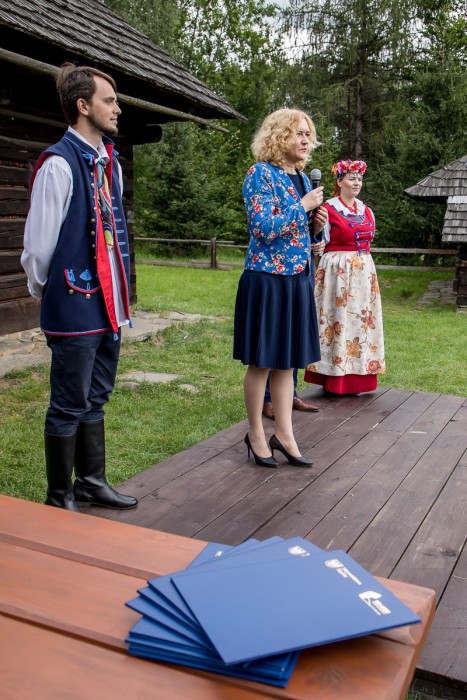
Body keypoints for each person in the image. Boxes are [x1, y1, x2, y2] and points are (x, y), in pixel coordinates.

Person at [21, 63, 138, 511]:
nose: (118, 109)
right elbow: (39, 247)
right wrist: (48, 292)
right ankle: (60, 496)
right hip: (73, 301)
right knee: (69, 402)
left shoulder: (111, 164)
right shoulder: (58, 164)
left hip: (109, 305)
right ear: (83, 105)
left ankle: (91, 482)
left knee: (96, 396)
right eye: (110, 101)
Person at [233, 108, 327, 468]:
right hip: (268, 279)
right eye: (298, 133)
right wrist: (303, 206)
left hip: (297, 278)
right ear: (278, 136)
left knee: (287, 364)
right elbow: (263, 227)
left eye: (308, 134)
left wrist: (316, 227)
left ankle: (285, 435)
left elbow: (302, 233)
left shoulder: (302, 178)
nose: (305, 140)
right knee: (263, 362)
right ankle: (256, 433)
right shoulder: (260, 174)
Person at [304, 159, 386, 395]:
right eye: (351, 178)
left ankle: (359, 377)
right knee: (338, 320)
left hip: (363, 274)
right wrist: (317, 239)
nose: (357, 182)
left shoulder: (366, 210)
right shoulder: (327, 210)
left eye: (359, 178)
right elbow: (317, 243)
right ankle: (334, 377)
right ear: (339, 182)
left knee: (360, 323)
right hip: (337, 273)